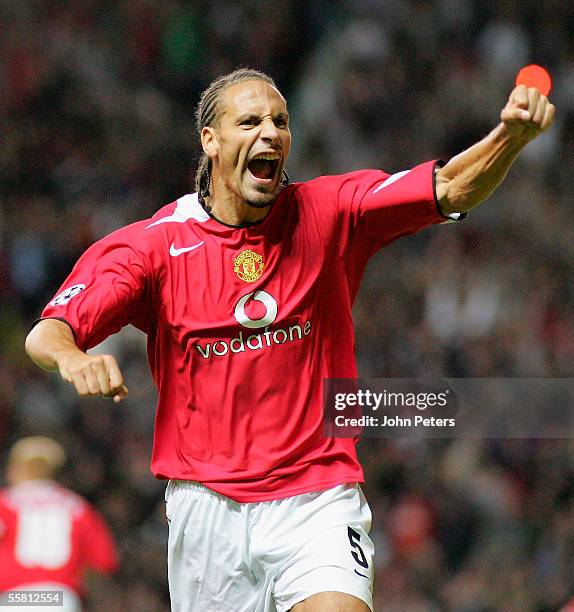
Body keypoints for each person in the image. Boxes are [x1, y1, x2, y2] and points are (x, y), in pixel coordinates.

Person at [25, 68, 554, 611]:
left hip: (317, 499)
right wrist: (73, 359)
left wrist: (508, 138)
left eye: (280, 121)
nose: (270, 132)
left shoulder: (331, 211)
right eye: (250, 121)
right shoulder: (153, 247)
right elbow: (48, 333)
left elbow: (447, 187)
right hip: (207, 510)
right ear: (210, 140)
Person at [0, 436, 118, 611]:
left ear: (17, 467)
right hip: (61, 597)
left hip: (15, 596)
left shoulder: (6, 503)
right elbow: (105, 562)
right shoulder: (78, 507)